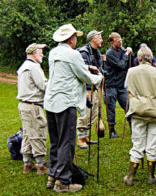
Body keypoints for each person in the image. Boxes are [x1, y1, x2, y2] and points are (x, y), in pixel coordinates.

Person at [44, 24, 103, 193]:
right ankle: (63, 181)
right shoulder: (73, 54)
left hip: (51, 102)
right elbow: (84, 77)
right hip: (65, 103)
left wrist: (86, 67)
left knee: (55, 141)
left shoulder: (54, 52)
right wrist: (98, 78)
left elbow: (69, 70)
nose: (76, 39)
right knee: (66, 143)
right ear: (71, 39)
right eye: (75, 37)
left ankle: (52, 176)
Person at [123, 45, 156, 186]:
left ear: (139, 58)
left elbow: (128, 91)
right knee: (153, 145)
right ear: (151, 58)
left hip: (138, 112)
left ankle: (130, 177)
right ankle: (151, 176)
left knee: (137, 144)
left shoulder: (131, 72)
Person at [17, 43, 49, 175]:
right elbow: (43, 85)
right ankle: (41, 165)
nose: (42, 54)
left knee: (28, 135)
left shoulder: (23, 66)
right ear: (34, 53)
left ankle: (27, 164)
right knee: (37, 133)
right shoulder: (34, 67)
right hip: (33, 106)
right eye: (40, 52)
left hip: (24, 105)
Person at [76, 30, 104, 149]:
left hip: (96, 87)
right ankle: (80, 138)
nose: (102, 40)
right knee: (85, 113)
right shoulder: (83, 52)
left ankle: (86, 136)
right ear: (93, 39)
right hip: (86, 88)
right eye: (100, 37)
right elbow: (82, 71)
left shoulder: (97, 52)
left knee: (93, 113)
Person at [104, 32, 133, 138]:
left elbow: (130, 62)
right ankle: (112, 130)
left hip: (121, 85)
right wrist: (126, 55)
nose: (120, 42)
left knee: (129, 105)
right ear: (112, 42)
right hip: (111, 84)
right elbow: (121, 65)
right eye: (118, 41)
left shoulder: (122, 50)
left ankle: (133, 127)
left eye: (121, 40)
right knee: (111, 108)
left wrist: (130, 53)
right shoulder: (109, 53)